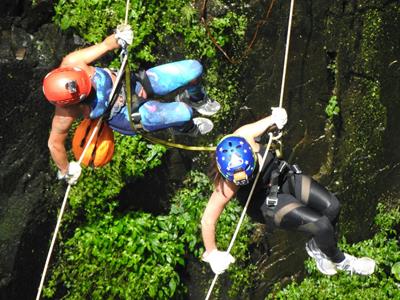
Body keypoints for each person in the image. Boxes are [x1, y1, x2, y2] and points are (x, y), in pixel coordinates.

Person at [201, 107, 376, 276]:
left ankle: (317, 248)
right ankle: (342, 261)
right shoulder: (228, 183)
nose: (243, 180)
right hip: (265, 203)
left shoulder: (244, 135)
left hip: (282, 177)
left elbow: (270, 122)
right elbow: (208, 219)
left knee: (333, 207)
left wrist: (277, 119)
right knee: (321, 225)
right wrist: (212, 253)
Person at [43, 25, 221, 185]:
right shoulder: (65, 112)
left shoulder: (73, 62)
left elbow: (106, 45)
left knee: (193, 69)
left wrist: (119, 37)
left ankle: (196, 98)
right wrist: (66, 170)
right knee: (185, 113)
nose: (91, 85)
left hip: (134, 83)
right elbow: (54, 143)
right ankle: (184, 127)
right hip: (129, 114)